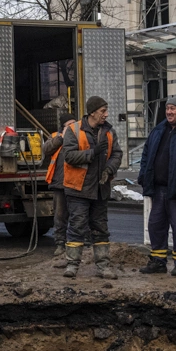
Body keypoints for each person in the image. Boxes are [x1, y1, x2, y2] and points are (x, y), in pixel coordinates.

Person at [60, 96, 123, 279]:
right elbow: (69, 156)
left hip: (100, 189)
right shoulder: (74, 130)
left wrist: (109, 169)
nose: (106, 114)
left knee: (100, 228)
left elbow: (117, 154)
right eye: (103, 111)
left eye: (106, 110)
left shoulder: (108, 132)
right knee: (77, 226)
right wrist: (93, 153)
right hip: (78, 189)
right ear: (93, 112)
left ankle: (103, 266)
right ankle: (72, 265)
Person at [137, 96, 176, 276]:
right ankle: (158, 261)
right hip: (158, 189)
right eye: (167, 108)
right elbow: (146, 154)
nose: (169, 112)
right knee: (156, 225)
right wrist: (144, 175)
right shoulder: (158, 130)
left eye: (173, 109)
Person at [42, 113, 86, 268]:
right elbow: (46, 149)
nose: (73, 126)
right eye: (70, 124)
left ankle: (79, 243)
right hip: (60, 184)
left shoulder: (81, 136)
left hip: (75, 183)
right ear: (63, 126)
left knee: (77, 215)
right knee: (60, 215)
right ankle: (60, 244)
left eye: (75, 123)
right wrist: (61, 137)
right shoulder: (57, 137)